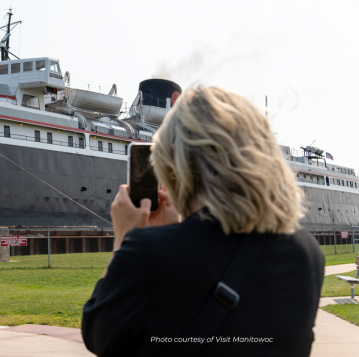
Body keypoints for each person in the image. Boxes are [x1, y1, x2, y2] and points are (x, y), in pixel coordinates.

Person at [82, 86, 324, 357]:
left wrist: (124, 239)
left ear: (175, 159)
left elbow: (99, 337)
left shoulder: (147, 250)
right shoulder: (306, 252)